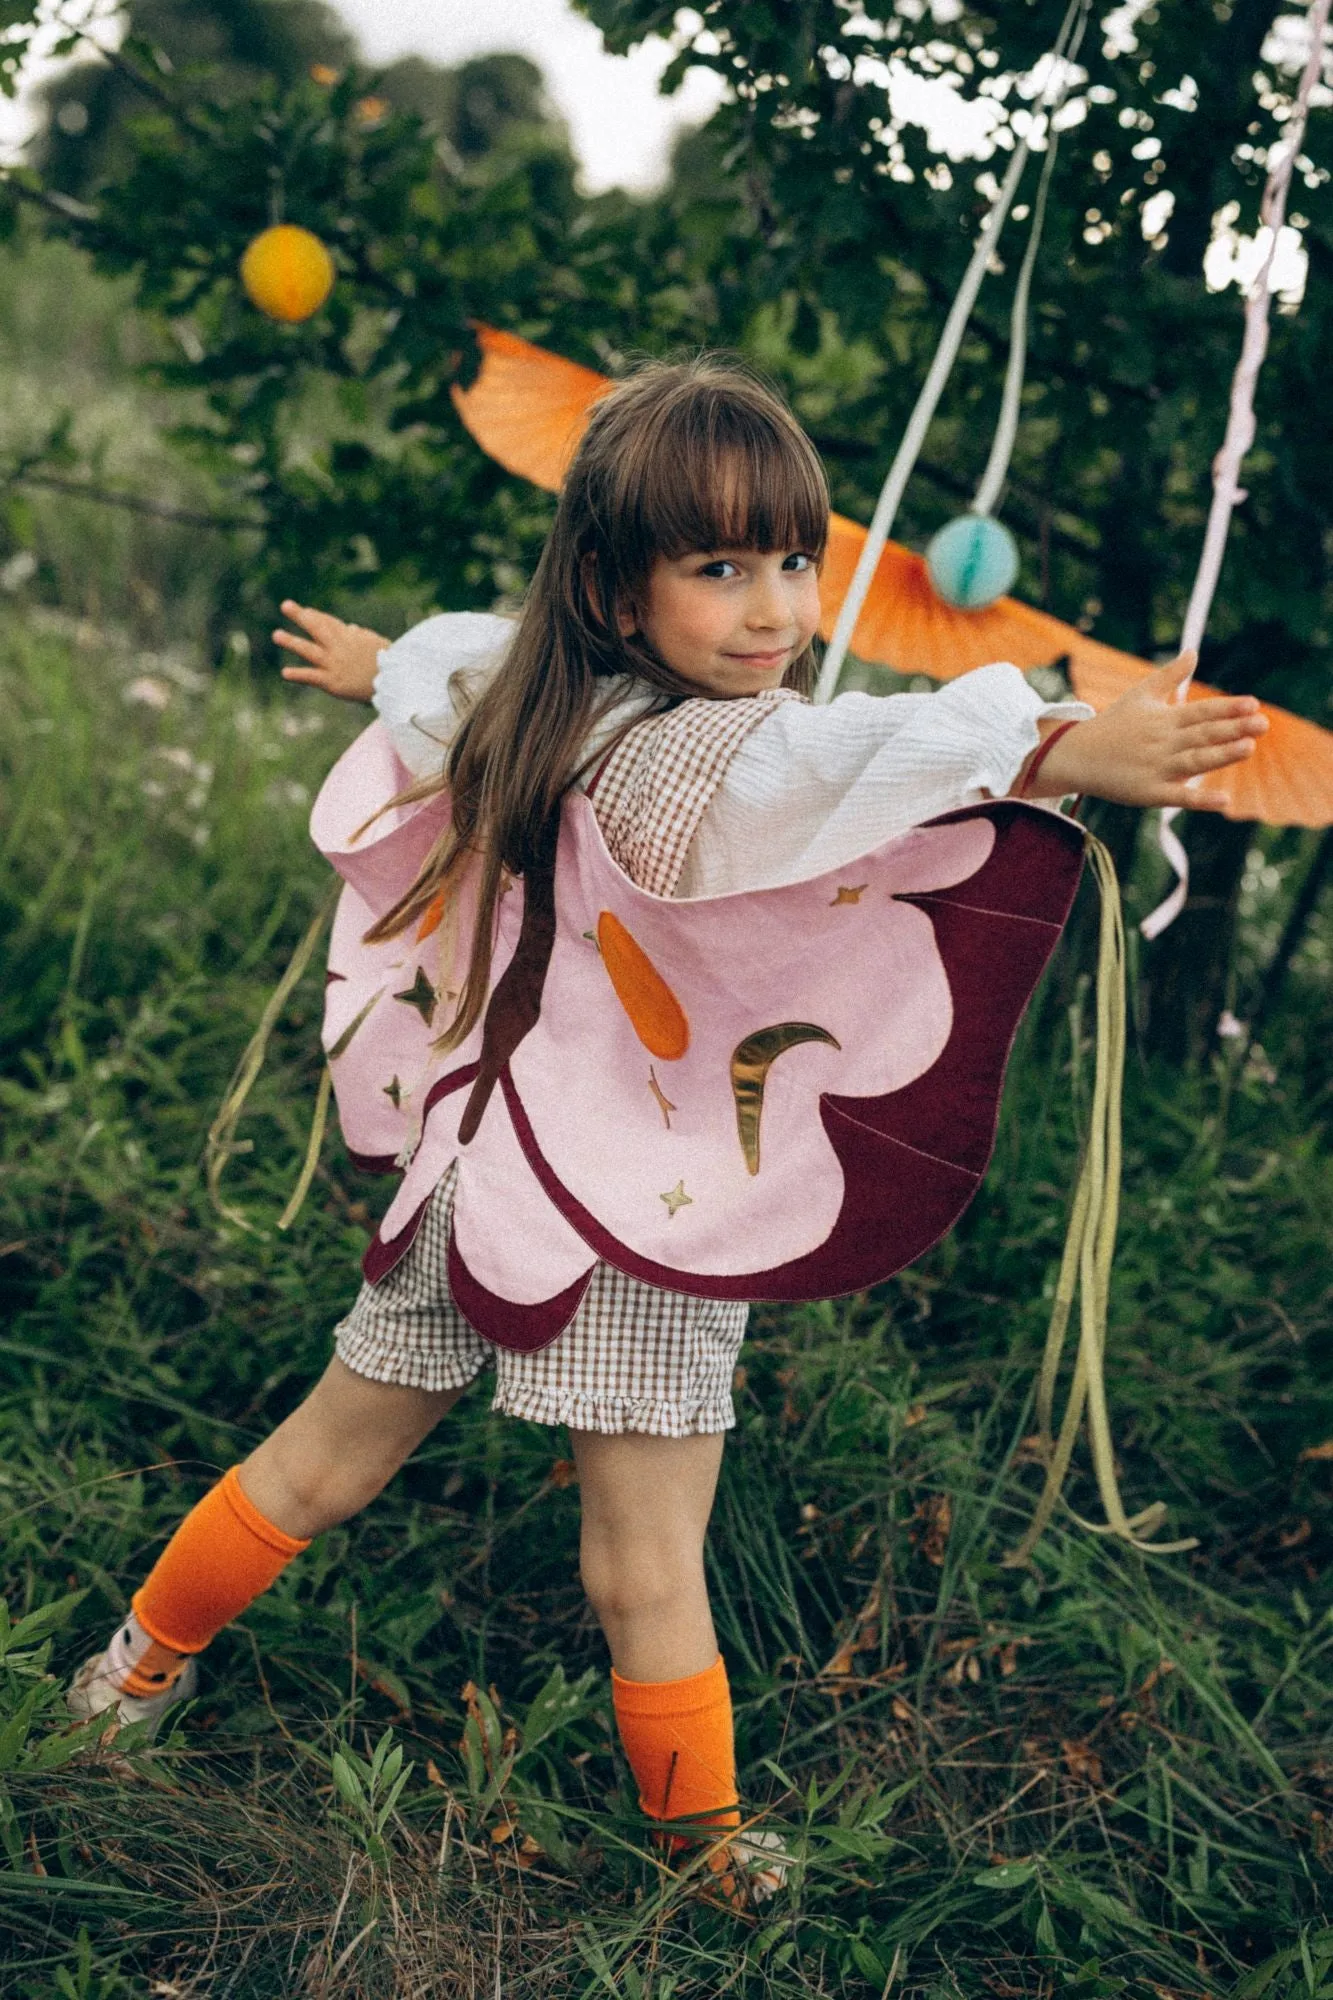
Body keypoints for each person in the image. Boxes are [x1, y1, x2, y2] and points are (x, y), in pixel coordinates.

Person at [70, 357, 1266, 1902]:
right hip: (635, 1217)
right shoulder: (713, 748)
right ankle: (706, 1859)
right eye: (720, 568)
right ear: (618, 593)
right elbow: (847, 753)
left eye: (793, 560)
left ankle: (124, 1676)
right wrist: (1055, 744)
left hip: (482, 1168)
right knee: (646, 1566)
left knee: (317, 1468)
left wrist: (380, 663)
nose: (773, 611)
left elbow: (449, 673)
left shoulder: (539, 701)